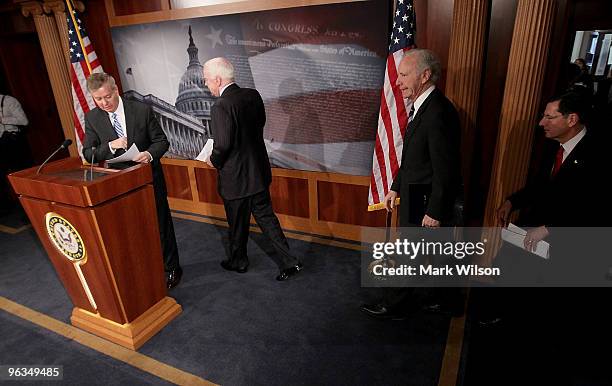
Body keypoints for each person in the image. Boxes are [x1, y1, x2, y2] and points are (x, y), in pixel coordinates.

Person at [360, 49, 463, 319]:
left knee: (410, 254)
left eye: (404, 75)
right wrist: (395, 186)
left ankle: (395, 304)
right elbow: (413, 158)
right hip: (417, 193)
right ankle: (444, 301)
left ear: (425, 75)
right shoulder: (423, 107)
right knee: (432, 253)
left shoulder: (438, 112)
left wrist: (436, 211)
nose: (398, 82)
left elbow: (445, 169)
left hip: (427, 200)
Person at [202, 57, 302, 281]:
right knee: (267, 218)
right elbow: (259, 125)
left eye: (207, 81)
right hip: (257, 171)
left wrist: (213, 160)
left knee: (237, 223)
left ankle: (239, 261)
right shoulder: (252, 95)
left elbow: (224, 144)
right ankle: (290, 261)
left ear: (218, 80)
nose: (206, 85)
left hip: (235, 178)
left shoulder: (221, 106)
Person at [81, 73, 182, 289]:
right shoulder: (92, 118)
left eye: (107, 97)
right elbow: (88, 153)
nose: (104, 103)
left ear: (115, 90)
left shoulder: (141, 110)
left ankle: (171, 267)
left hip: (148, 177)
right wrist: (110, 146)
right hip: (118, 184)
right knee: (132, 230)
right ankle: (145, 268)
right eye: (98, 99)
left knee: (160, 226)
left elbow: (161, 141)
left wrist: (148, 154)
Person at [0, 93, 29, 214]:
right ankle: (6, 207)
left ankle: (26, 204)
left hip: (12, 143)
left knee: (19, 173)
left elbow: (24, 121)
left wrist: (2, 119)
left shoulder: (9, 101)